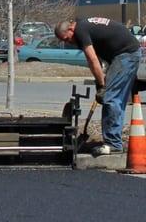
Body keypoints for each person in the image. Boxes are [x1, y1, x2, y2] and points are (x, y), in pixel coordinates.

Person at [55, 18, 141, 156]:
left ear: (71, 29)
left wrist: (102, 86)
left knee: (111, 98)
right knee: (113, 97)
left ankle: (113, 144)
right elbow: (99, 57)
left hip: (126, 54)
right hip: (122, 54)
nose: (67, 42)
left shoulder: (80, 31)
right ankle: (114, 141)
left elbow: (92, 59)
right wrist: (100, 80)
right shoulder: (85, 26)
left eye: (66, 39)